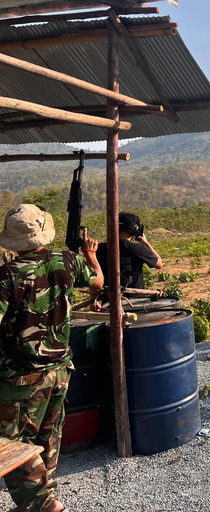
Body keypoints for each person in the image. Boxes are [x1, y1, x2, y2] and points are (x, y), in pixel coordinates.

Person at [0, 204, 104, 512]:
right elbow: (98, 283)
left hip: (20, 378)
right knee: (48, 436)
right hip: (59, 370)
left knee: (12, 445)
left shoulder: (7, 276)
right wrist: (92, 257)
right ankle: (45, 495)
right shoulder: (67, 260)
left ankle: (46, 506)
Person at [95, 212, 163, 290]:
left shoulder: (100, 248)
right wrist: (146, 243)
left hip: (109, 299)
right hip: (136, 299)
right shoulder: (139, 249)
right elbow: (159, 264)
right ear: (135, 230)